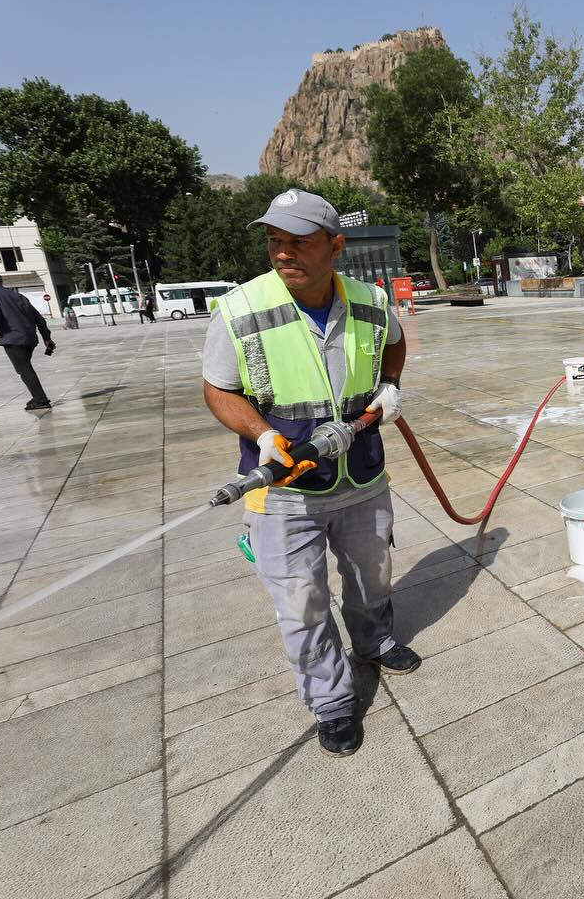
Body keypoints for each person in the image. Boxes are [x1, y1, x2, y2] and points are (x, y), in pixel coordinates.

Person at [201, 188, 418, 759]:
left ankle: (374, 641)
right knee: (301, 601)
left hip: (362, 478)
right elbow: (217, 389)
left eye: (299, 242)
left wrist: (389, 388)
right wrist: (265, 436)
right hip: (285, 492)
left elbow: (394, 347)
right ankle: (332, 701)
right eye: (275, 241)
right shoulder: (241, 309)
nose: (283, 253)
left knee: (373, 579)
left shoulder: (371, 301)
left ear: (335, 246)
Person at [0, 270, 55, 410]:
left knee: (24, 369)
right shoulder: (18, 295)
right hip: (30, 339)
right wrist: (46, 337)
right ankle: (37, 398)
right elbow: (38, 317)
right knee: (26, 367)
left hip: (13, 339)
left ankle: (41, 400)